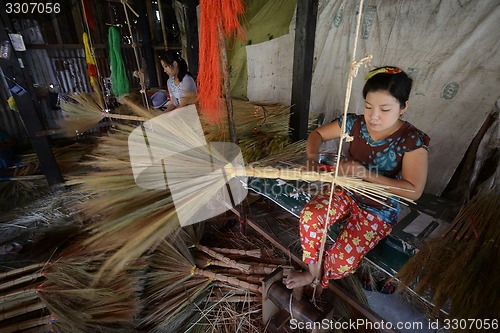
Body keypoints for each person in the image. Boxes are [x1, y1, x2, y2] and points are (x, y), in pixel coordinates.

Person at [285, 67, 430, 289]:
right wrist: (312, 159)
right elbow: (318, 134)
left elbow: (414, 190)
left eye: (385, 109)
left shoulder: (410, 140)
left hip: (378, 206)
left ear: (403, 107)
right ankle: (311, 273)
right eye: (368, 106)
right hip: (345, 190)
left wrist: (364, 174)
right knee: (311, 217)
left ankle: (322, 279)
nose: (374, 116)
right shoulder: (355, 123)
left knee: (341, 261)